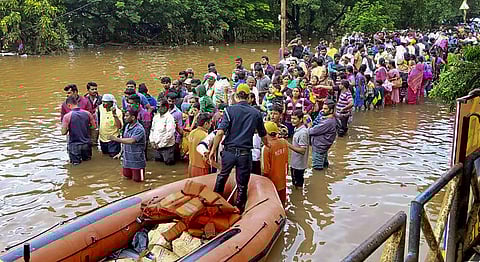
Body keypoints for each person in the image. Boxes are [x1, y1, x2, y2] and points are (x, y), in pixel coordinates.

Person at [209, 84, 270, 213]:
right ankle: (239, 210)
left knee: (222, 176)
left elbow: (220, 132)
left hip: (229, 152)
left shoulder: (229, 110)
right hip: (244, 154)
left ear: (236, 96)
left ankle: (214, 203)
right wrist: (268, 145)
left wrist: (213, 149)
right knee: (242, 185)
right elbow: (263, 134)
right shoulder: (256, 113)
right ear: (249, 97)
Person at [109, 107, 146, 182]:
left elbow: (132, 140)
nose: (125, 118)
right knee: (126, 179)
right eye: (124, 116)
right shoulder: (127, 126)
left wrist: (116, 139)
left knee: (138, 182)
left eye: (127, 116)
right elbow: (124, 140)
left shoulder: (139, 129)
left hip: (137, 162)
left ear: (133, 117)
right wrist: (120, 153)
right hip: (126, 160)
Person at [61, 96, 96, 165]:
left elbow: (63, 132)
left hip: (74, 145)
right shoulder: (87, 113)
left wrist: (68, 128)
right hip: (86, 143)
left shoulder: (67, 116)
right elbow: (93, 127)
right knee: (88, 163)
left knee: (76, 166)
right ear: (77, 103)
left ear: (68, 105)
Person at [263, 121, 289, 206]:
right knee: (282, 204)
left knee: (273, 205)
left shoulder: (267, 148)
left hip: (272, 183)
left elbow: (266, 170)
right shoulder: (283, 142)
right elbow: (286, 161)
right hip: (283, 179)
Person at [309, 100, 337, 170]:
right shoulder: (327, 118)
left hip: (319, 148)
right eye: (323, 108)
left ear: (331, 110)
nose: (322, 110)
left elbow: (311, 131)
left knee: (317, 170)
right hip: (323, 147)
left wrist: (308, 123)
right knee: (324, 166)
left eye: (325, 109)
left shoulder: (327, 122)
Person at [150, 98, 176, 165]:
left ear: (165, 107)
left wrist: (160, 145)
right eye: (157, 107)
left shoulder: (169, 118)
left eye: (159, 107)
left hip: (167, 148)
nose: (157, 108)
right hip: (156, 146)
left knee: (168, 166)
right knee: (158, 165)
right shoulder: (156, 117)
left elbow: (169, 134)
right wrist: (152, 141)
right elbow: (152, 130)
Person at [287, 110, 309, 189]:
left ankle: (299, 199)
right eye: (292, 118)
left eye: (295, 119)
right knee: (295, 183)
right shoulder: (297, 129)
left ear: (300, 120)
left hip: (299, 165)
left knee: (298, 185)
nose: (292, 120)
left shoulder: (302, 133)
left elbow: (303, 151)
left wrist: (288, 145)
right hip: (295, 163)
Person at [187, 113, 212, 177]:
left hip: (191, 166)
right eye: (210, 122)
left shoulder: (192, 133)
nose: (211, 124)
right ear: (206, 124)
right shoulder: (205, 136)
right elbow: (206, 155)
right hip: (202, 167)